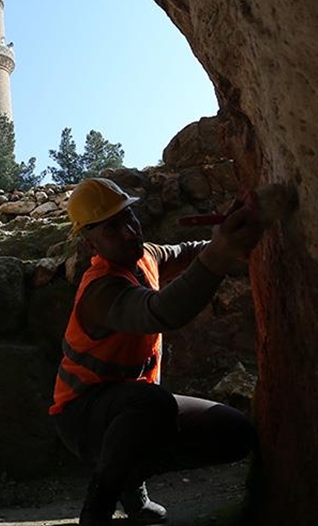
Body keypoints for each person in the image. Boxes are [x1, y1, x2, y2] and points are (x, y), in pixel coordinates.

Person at [50, 177, 268, 525]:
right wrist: (222, 251)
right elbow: (163, 310)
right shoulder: (100, 290)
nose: (128, 232)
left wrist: (226, 235)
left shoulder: (146, 256)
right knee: (152, 403)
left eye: (129, 218)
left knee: (236, 433)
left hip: (129, 408)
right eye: (112, 228)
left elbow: (189, 252)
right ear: (91, 243)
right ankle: (98, 509)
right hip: (82, 417)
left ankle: (130, 482)